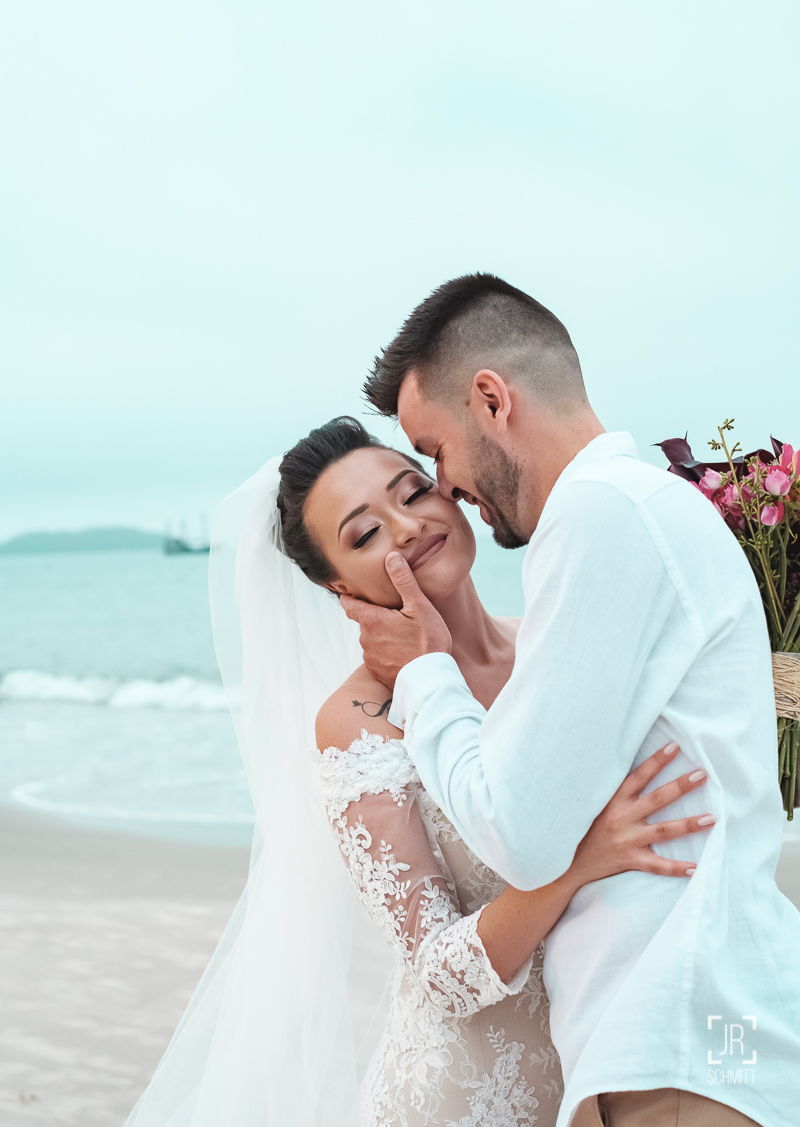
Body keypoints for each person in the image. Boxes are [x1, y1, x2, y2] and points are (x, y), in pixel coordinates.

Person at [124, 417, 710, 1127]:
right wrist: (573, 867)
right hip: (466, 1101)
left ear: (451, 494)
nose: (407, 528)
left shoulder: (548, 645)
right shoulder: (359, 723)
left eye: (412, 493)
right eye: (365, 534)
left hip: (611, 1073)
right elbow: (438, 975)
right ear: (337, 584)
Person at [342, 272, 800, 1127]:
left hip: (678, 1040)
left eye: (434, 451)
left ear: (491, 399)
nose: (446, 487)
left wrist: (426, 674)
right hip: (691, 1033)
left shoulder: (598, 516)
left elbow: (519, 833)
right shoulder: (637, 508)